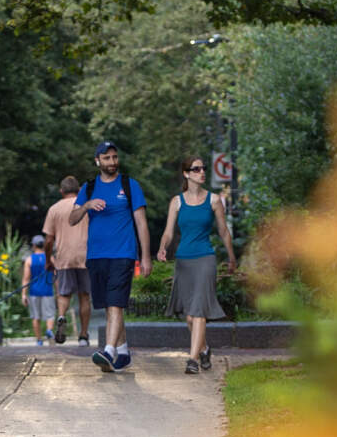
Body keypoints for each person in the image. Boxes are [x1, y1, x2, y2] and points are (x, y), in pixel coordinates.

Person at [69, 140, 150, 373]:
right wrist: (87, 206)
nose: (112, 162)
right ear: (98, 161)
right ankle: (123, 351)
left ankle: (109, 351)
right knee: (108, 305)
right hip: (96, 255)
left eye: (114, 157)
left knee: (116, 302)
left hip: (123, 254)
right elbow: (72, 219)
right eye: (107, 158)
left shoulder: (130, 185)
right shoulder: (89, 187)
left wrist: (145, 257)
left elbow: (141, 224)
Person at [154, 155, 236, 375]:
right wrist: (163, 247)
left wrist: (231, 257)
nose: (202, 172)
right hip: (184, 260)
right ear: (186, 174)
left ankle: (192, 360)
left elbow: (223, 231)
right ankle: (205, 348)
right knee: (190, 316)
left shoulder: (214, 200)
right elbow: (169, 232)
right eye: (197, 169)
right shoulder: (176, 202)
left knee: (199, 312)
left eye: (203, 168)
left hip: (205, 259)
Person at [41, 175, 91, 346]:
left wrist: (48, 260)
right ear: (78, 190)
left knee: (63, 294)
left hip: (63, 257)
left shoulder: (54, 209)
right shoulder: (86, 207)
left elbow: (48, 240)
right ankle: (83, 336)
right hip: (86, 256)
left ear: (61, 191)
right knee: (84, 296)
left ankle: (61, 317)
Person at [21, 234, 57, 344]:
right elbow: (56, 276)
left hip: (34, 292)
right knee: (50, 315)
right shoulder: (50, 258)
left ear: (33, 246)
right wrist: (58, 291)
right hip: (48, 291)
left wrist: (23, 294)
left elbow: (26, 279)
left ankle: (39, 340)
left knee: (36, 317)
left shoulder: (29, 260)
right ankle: (49, 330)